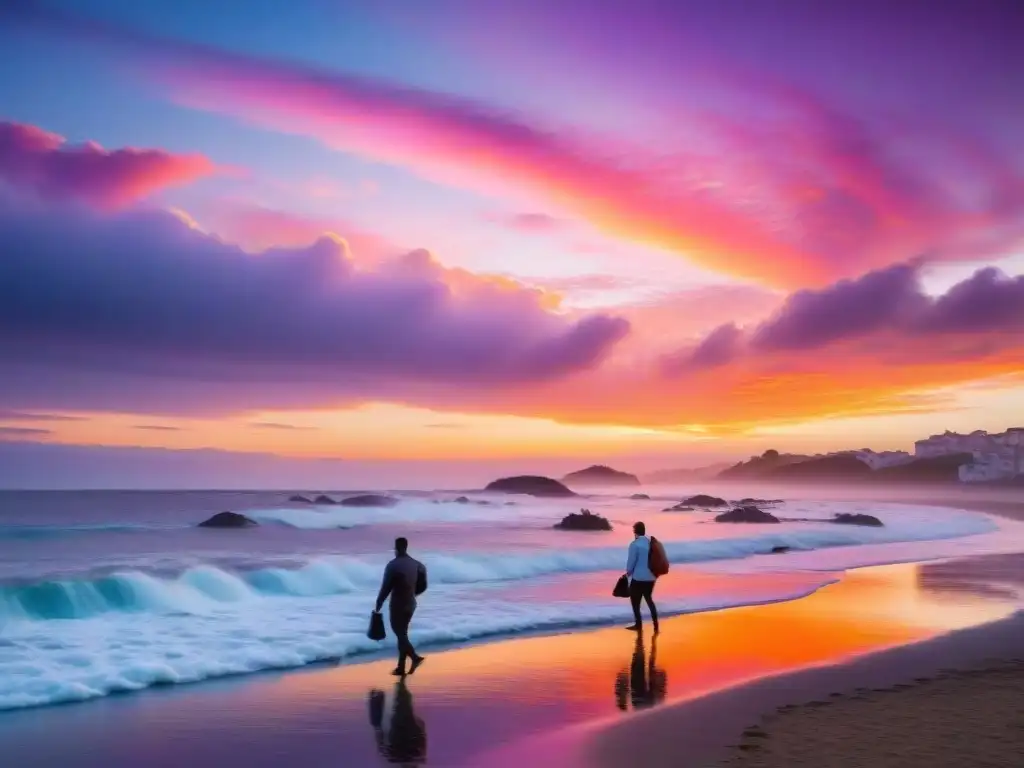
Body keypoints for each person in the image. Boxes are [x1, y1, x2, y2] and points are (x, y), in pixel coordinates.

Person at [375, 537, 428, 676]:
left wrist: (379, 602)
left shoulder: (393, 565)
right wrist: (412, 594)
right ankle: (400, 667)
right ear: (406, 546)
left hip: (398, 604)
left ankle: (415, 657)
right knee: (402, 633)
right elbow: (423, 586)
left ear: (396, 548)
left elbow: (386, 587)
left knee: (399, 633)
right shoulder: (418, 565)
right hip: (411, 604)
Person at [625, 521, 659, 634]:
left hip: (639, 578)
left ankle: (638, 625)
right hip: (651, 577)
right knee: (649, 599)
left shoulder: (634, 544)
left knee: (635, 601)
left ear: (635, 531)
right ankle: (656, 625)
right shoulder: (650, 542)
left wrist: (628, 573)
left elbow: (631, 562)